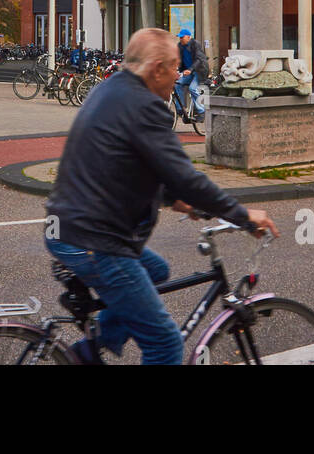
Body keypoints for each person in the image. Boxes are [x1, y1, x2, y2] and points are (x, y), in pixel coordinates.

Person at [44, 27, 278, 365]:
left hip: (63, 225)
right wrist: (242, 215)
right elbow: (187, 177)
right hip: (92, 238)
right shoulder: (146, 107)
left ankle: (90, 351)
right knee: (165, 343)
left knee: (156, 270)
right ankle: (87, 353)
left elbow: (131, 163)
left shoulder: (108, 90)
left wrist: (172, 198)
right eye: (173, 67)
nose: (176, 76)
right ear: (156, 68)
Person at [175, 28, 208, 118]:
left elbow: (199, 59)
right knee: (177, 85)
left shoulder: (195, 44)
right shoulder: (180, 46)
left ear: (189, 37)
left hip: (198, 71)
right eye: (180, 37)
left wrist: (190, 69)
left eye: (182, 37)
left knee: (192, 88)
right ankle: (180, 109)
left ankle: (201, 111)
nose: (180, 39)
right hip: (187, 72)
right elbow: (177, 59)